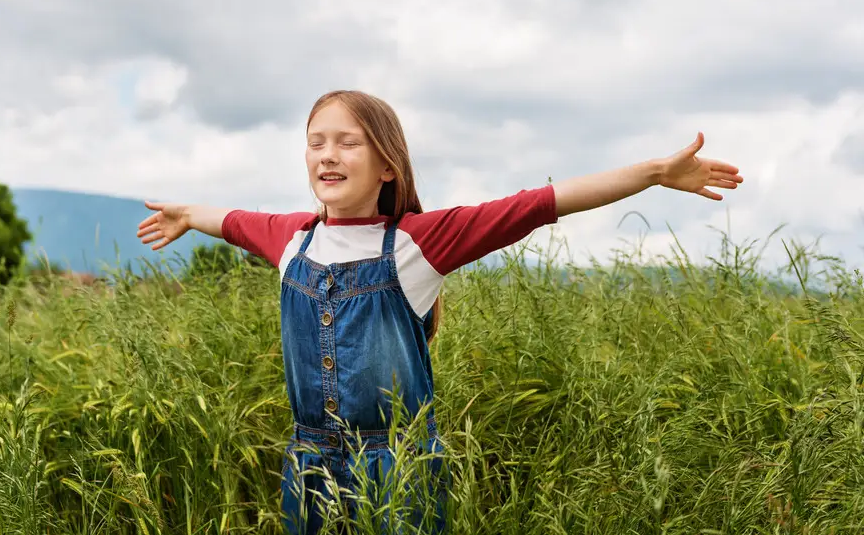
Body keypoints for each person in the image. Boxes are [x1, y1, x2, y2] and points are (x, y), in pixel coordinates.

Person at [136, 90, 743, 534]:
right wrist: (188, 214)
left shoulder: (419, 242)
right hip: (309, 465)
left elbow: (541, 203)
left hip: (397, 465)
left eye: (348, 142)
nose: (328, 154)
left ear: (387, 166)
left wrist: (656, 172)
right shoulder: (292, 238)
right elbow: (232, 223)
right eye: (316, 141)